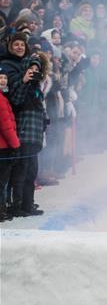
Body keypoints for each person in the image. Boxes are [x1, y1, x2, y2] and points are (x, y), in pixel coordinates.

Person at [7, 53, 49, 218]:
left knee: (32, 172)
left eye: (36, 69)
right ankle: (17, 206)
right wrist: (24, 80)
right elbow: (16, 100)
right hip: (24, 135)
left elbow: (41, 110)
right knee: (20, 172)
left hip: (35, 136)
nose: (33, 71)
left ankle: (28, 204)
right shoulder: (19, 83)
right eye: (31, 68)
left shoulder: (37, 87)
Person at [0, 65, 20, 221]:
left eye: (5, 78)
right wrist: (15, 145)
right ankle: (1, 211)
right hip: (3, 147)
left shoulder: (3, 97)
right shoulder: (1, 99)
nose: (3, 80)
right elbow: (6, 125)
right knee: (2, 182)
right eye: (0, 77)